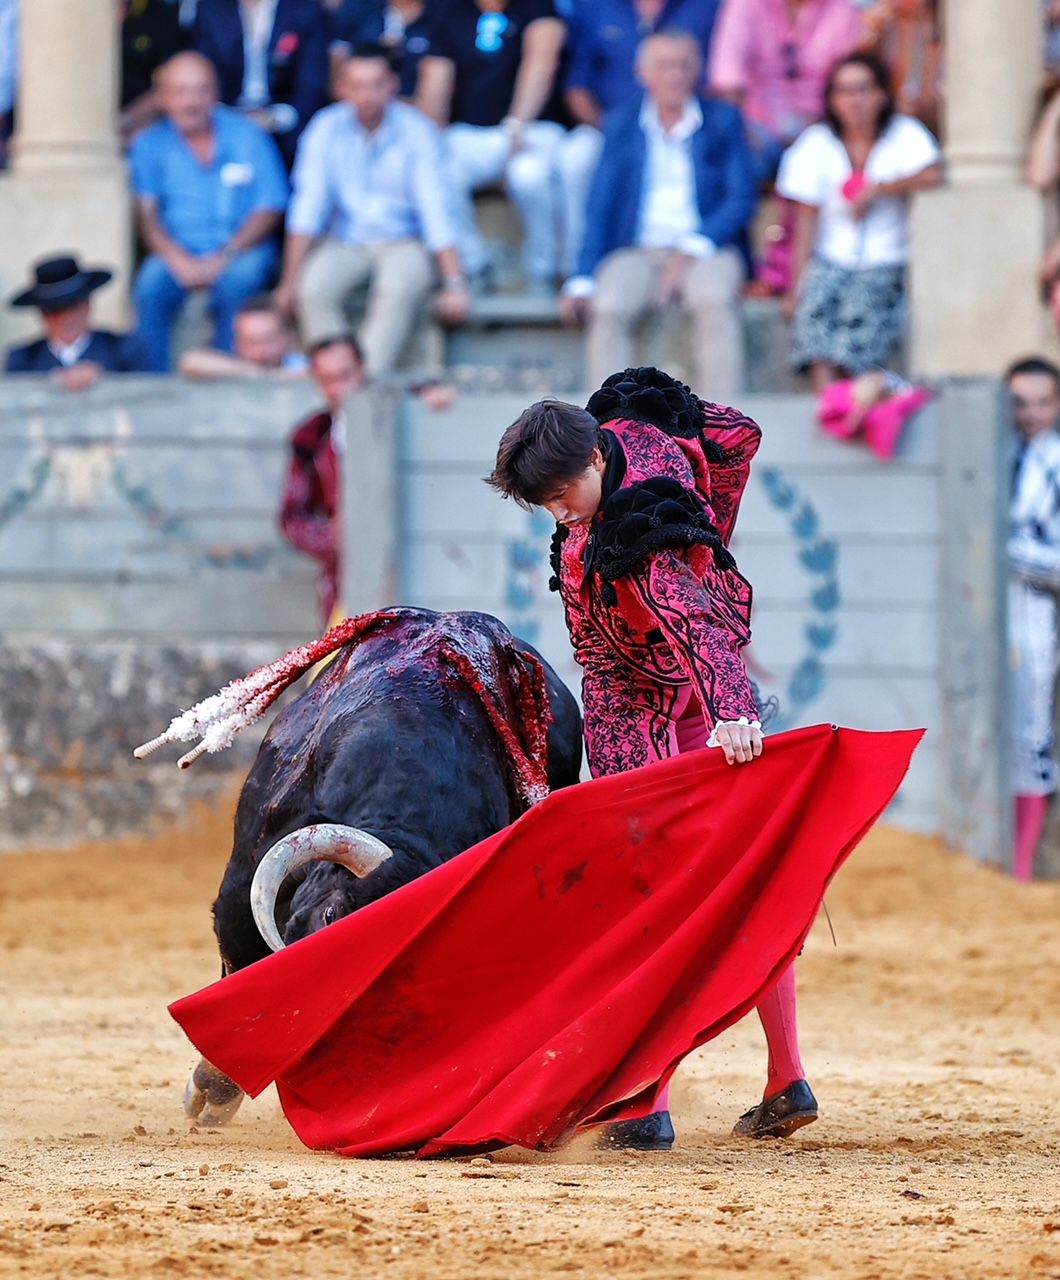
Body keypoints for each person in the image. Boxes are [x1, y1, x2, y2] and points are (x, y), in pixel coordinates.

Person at [486, 366, 817, 1149]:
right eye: (547, 504)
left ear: (597, 460)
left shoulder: (641, 526)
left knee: (649, 883)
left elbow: (691, 612)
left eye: (565, 495)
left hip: (650, 689)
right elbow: (737, 435)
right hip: (648, 681)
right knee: (733, 873)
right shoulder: (635, 433)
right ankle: (786, 1075)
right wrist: (715, 533)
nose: (560, 513)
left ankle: (646, 1100)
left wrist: (734, 705)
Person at [561, 31, 757, 401]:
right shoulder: (621, 124)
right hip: (638, 247)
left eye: (684, 65)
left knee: (714, 298)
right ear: (642, 72)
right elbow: (600, 205)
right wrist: (582, 276)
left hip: (708, 244)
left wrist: (690, 250)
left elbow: (740, 198)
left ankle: (724, 427)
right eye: (664, 66)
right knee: (609, 306)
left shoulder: (723, 120)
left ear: (697, 71)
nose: (675, 75)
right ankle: (609, 432)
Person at [275, 45, 468, 373]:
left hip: (405, 241)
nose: (366, 95)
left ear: (392, 84)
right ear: (342, 88)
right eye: (357, 85)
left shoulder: (417, 130)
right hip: (345, 240)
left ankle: (359, 386)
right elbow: (308, 208)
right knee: (311, 290)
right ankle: (334, 377)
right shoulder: (325, 127)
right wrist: (288, 282)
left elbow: (437, 213)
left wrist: (454, 282)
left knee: (396, 289)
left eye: (375, 84)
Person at [776, 51, 941, 390]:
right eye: (844, 91)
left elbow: (932, 173)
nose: (854, 100)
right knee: (813, 315)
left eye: (863, 89)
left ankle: (851, 405)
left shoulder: (904, 133)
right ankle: (833, 404)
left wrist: (881, 189)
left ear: (882, 93)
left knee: (860, 314)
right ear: (832, 99)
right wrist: (795, 286)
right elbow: (805, 223)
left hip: (885, 259)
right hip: (831, 257)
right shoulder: (817, 143)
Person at [129, 52, 289, 371]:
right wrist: (178, 259)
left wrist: (226, 254)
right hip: (178, 251)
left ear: (215, 93)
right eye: (180, 92)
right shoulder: (148, 143)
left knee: (237, 283)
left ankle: (227, 377)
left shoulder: (247, 134)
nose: (191, 102)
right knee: (149, 286)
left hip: (242, 249)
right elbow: (147, 215)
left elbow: (270, 205)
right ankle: (152, 387)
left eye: (200, 90)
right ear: (162, 97)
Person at [280, 333, 456, 621]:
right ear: (317, 382)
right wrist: (334, 537)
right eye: (328, 379)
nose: (340, 388)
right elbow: (291, 517)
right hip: (348, 580)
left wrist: (434, 402)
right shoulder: (311, 435)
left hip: (425, 570)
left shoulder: (405, 409)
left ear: (362, 370)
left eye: (345, 375)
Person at [558, 0, 723, 275]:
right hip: (607, 127)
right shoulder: (593, 6)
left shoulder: (706, 5)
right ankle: (578, 267)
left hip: (690, 123)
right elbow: (577, 85)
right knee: (576, 158)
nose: (674, 73)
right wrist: (617, 132)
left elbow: (719, 72)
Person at [415, 0, 567, 290]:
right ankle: (474, 267)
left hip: (533, 129)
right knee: (437, 170)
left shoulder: (537, 7)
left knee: (529, 176)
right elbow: (435, 83)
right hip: (473, 134)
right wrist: (432, 134)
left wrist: (516, 125)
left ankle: (543, 271)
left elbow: (541, 64)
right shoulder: (450, 10)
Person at [709, 0, 868, 180]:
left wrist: (823, 124)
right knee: (734, 160)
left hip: (821, 128)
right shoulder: (746, 5)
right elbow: (727, 78)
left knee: (833, 163)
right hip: (756, 129)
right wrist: (739, 129)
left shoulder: (843, 11)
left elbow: (850, 82)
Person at [1006, 358, 1060, 883]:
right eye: (1020, 402)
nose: (1031, 413)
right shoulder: (993, 447)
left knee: (1030, 733)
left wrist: (1002, 550)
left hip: (1032, 611)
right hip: (982, 608)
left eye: (1043, 402)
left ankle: (1019, 869)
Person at [192, 0, 329, 167]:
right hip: (225, 119)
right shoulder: (211, 7)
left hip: (285, 123)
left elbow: (310, 87)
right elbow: (204, 76)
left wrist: (273, 119)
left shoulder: (304, 8)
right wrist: (232, 119)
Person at [5, 254, 149, 389]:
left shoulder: (124, 350)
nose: (65, 317)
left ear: (87, 303)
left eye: (72, 305)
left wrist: (103, 376)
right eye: (54, 310)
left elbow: (146, 397)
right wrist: (51, 381)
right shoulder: (23, 360)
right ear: (42, 314)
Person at [179, 293, 308, 378]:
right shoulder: (231, 368)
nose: (261, 352)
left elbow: (312, 372)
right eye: (251, 342)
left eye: (268, 340)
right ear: (236, 344)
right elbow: (191, 362)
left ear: (287, 339)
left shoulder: (302, 365)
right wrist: (263, 374)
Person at [119, 0, 194, 142]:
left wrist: (126, 120)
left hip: (142, 123)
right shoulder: (78, 17)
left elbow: (168, 86)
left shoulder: (159, 13)